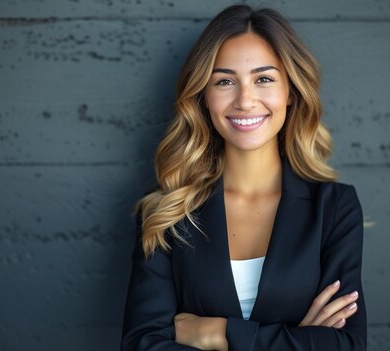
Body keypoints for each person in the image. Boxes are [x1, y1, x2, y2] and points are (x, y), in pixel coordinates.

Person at [121, 4, 367, 350]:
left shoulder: (334, 208)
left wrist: (217, 333)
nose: (245, 100)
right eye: (224, 81)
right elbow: (142, 345)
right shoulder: (166, 213)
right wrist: (297, 339)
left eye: (264, 79)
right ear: (204, 97)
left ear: (291, 92)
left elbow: (346, 345)